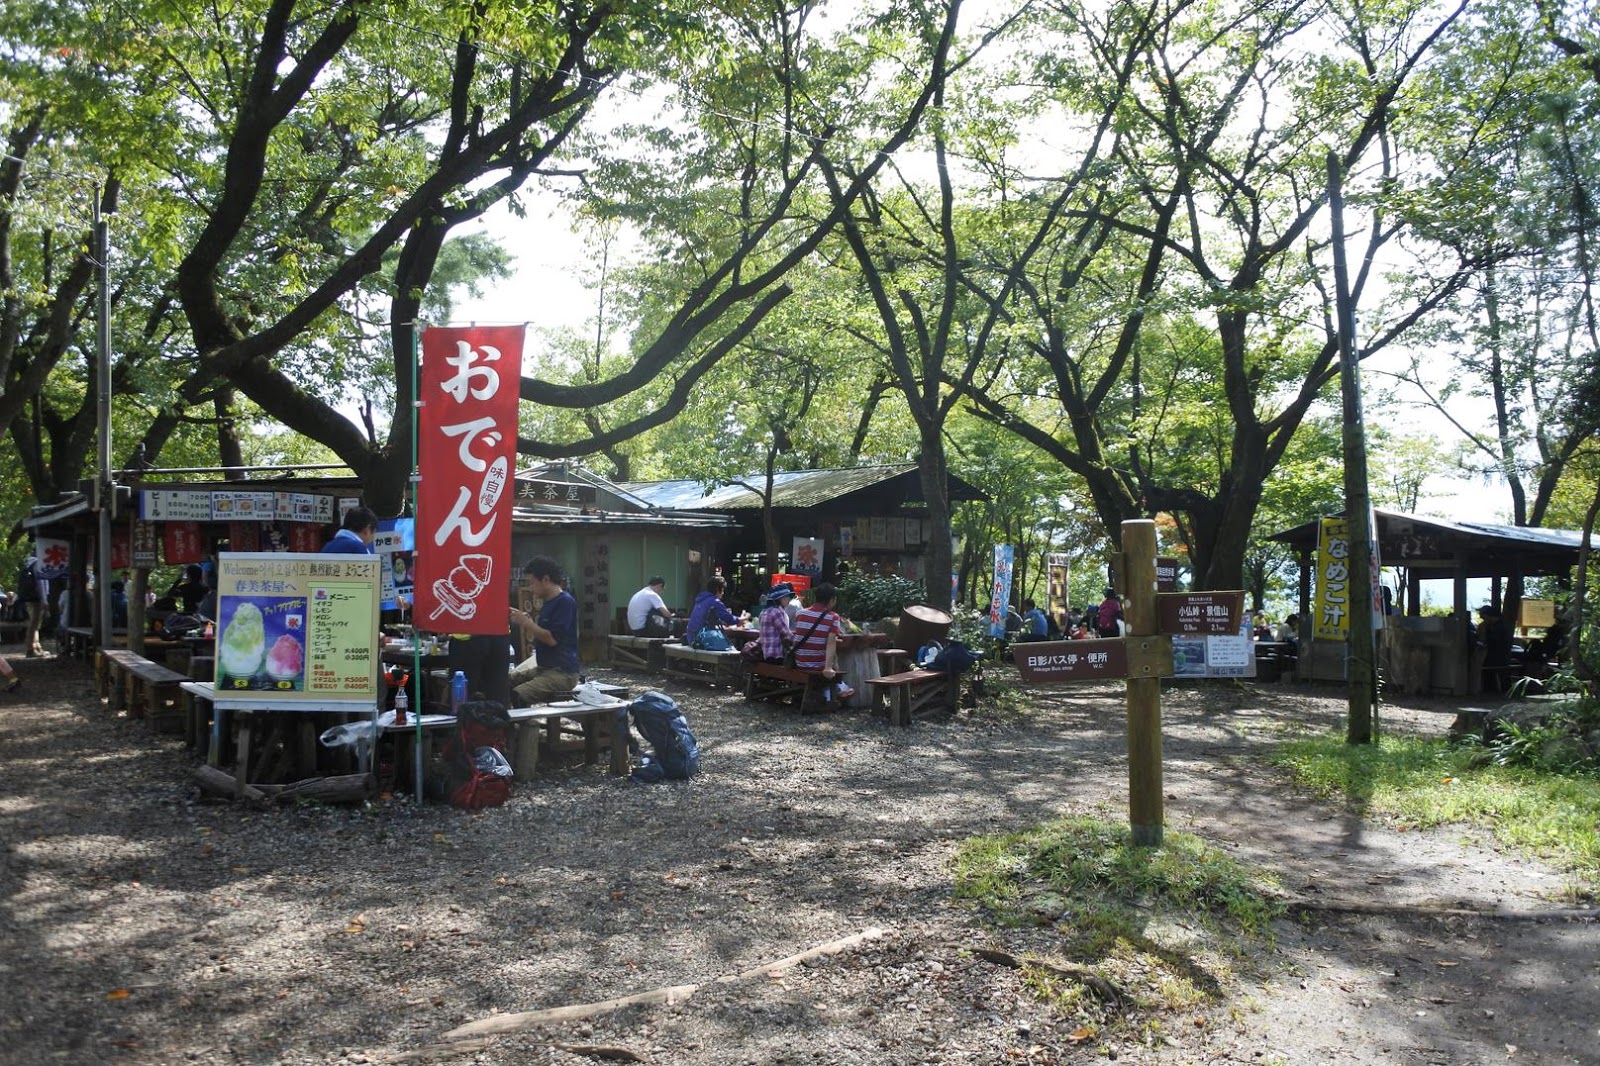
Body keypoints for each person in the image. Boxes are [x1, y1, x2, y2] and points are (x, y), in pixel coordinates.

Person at [508, 555, 580, 704]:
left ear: (545, 580)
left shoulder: (565, 602)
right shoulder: (548, 602)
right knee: (504, 683)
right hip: (543, 668)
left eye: (532, 583)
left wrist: (526, 623)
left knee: (518, 695)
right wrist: (526, 620)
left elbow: (551, 639)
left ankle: (525, 725)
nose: (531, 588)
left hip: (562, 674)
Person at [790, 583, 855, 701]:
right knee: (832, 650)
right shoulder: (833, 617)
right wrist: (828, 668)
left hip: (799, 661)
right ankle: (839, 686)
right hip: (816, 665)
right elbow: (831, 643)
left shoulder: (800, 613)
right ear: (832, 600)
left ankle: (833, 689)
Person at [684, 576, 737, 644]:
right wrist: (742, 619)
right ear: (718, 589)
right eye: (723, 590)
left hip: (691, 637)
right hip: (702, 638)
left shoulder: (700, 599)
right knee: (730, 645)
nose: (723, 593)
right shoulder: (714, 601)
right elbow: (729, 619)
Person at [1476, 604, 1514, 695]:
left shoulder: (1498, 627)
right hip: (1500, 655)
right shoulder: (1502, 625)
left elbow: (1494, 641)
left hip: (1497, 655)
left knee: (1493, 673)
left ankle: (1492, 692)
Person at [17, 554, 48, 658]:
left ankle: (37, 646)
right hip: (37, 598)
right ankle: (30, 648)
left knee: (35, 623)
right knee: (34, 623)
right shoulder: (38, 564)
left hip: (30, 598)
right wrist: (45, 600)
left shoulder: (28, 564)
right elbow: (41, 583)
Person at [756, 583, 796, 663]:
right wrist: (800, 641)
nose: (788, 599)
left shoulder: (764, 612)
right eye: (786, 597)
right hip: (775, 655)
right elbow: (786, 633)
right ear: (779, 599)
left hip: (765, 653)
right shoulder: (776, 612)